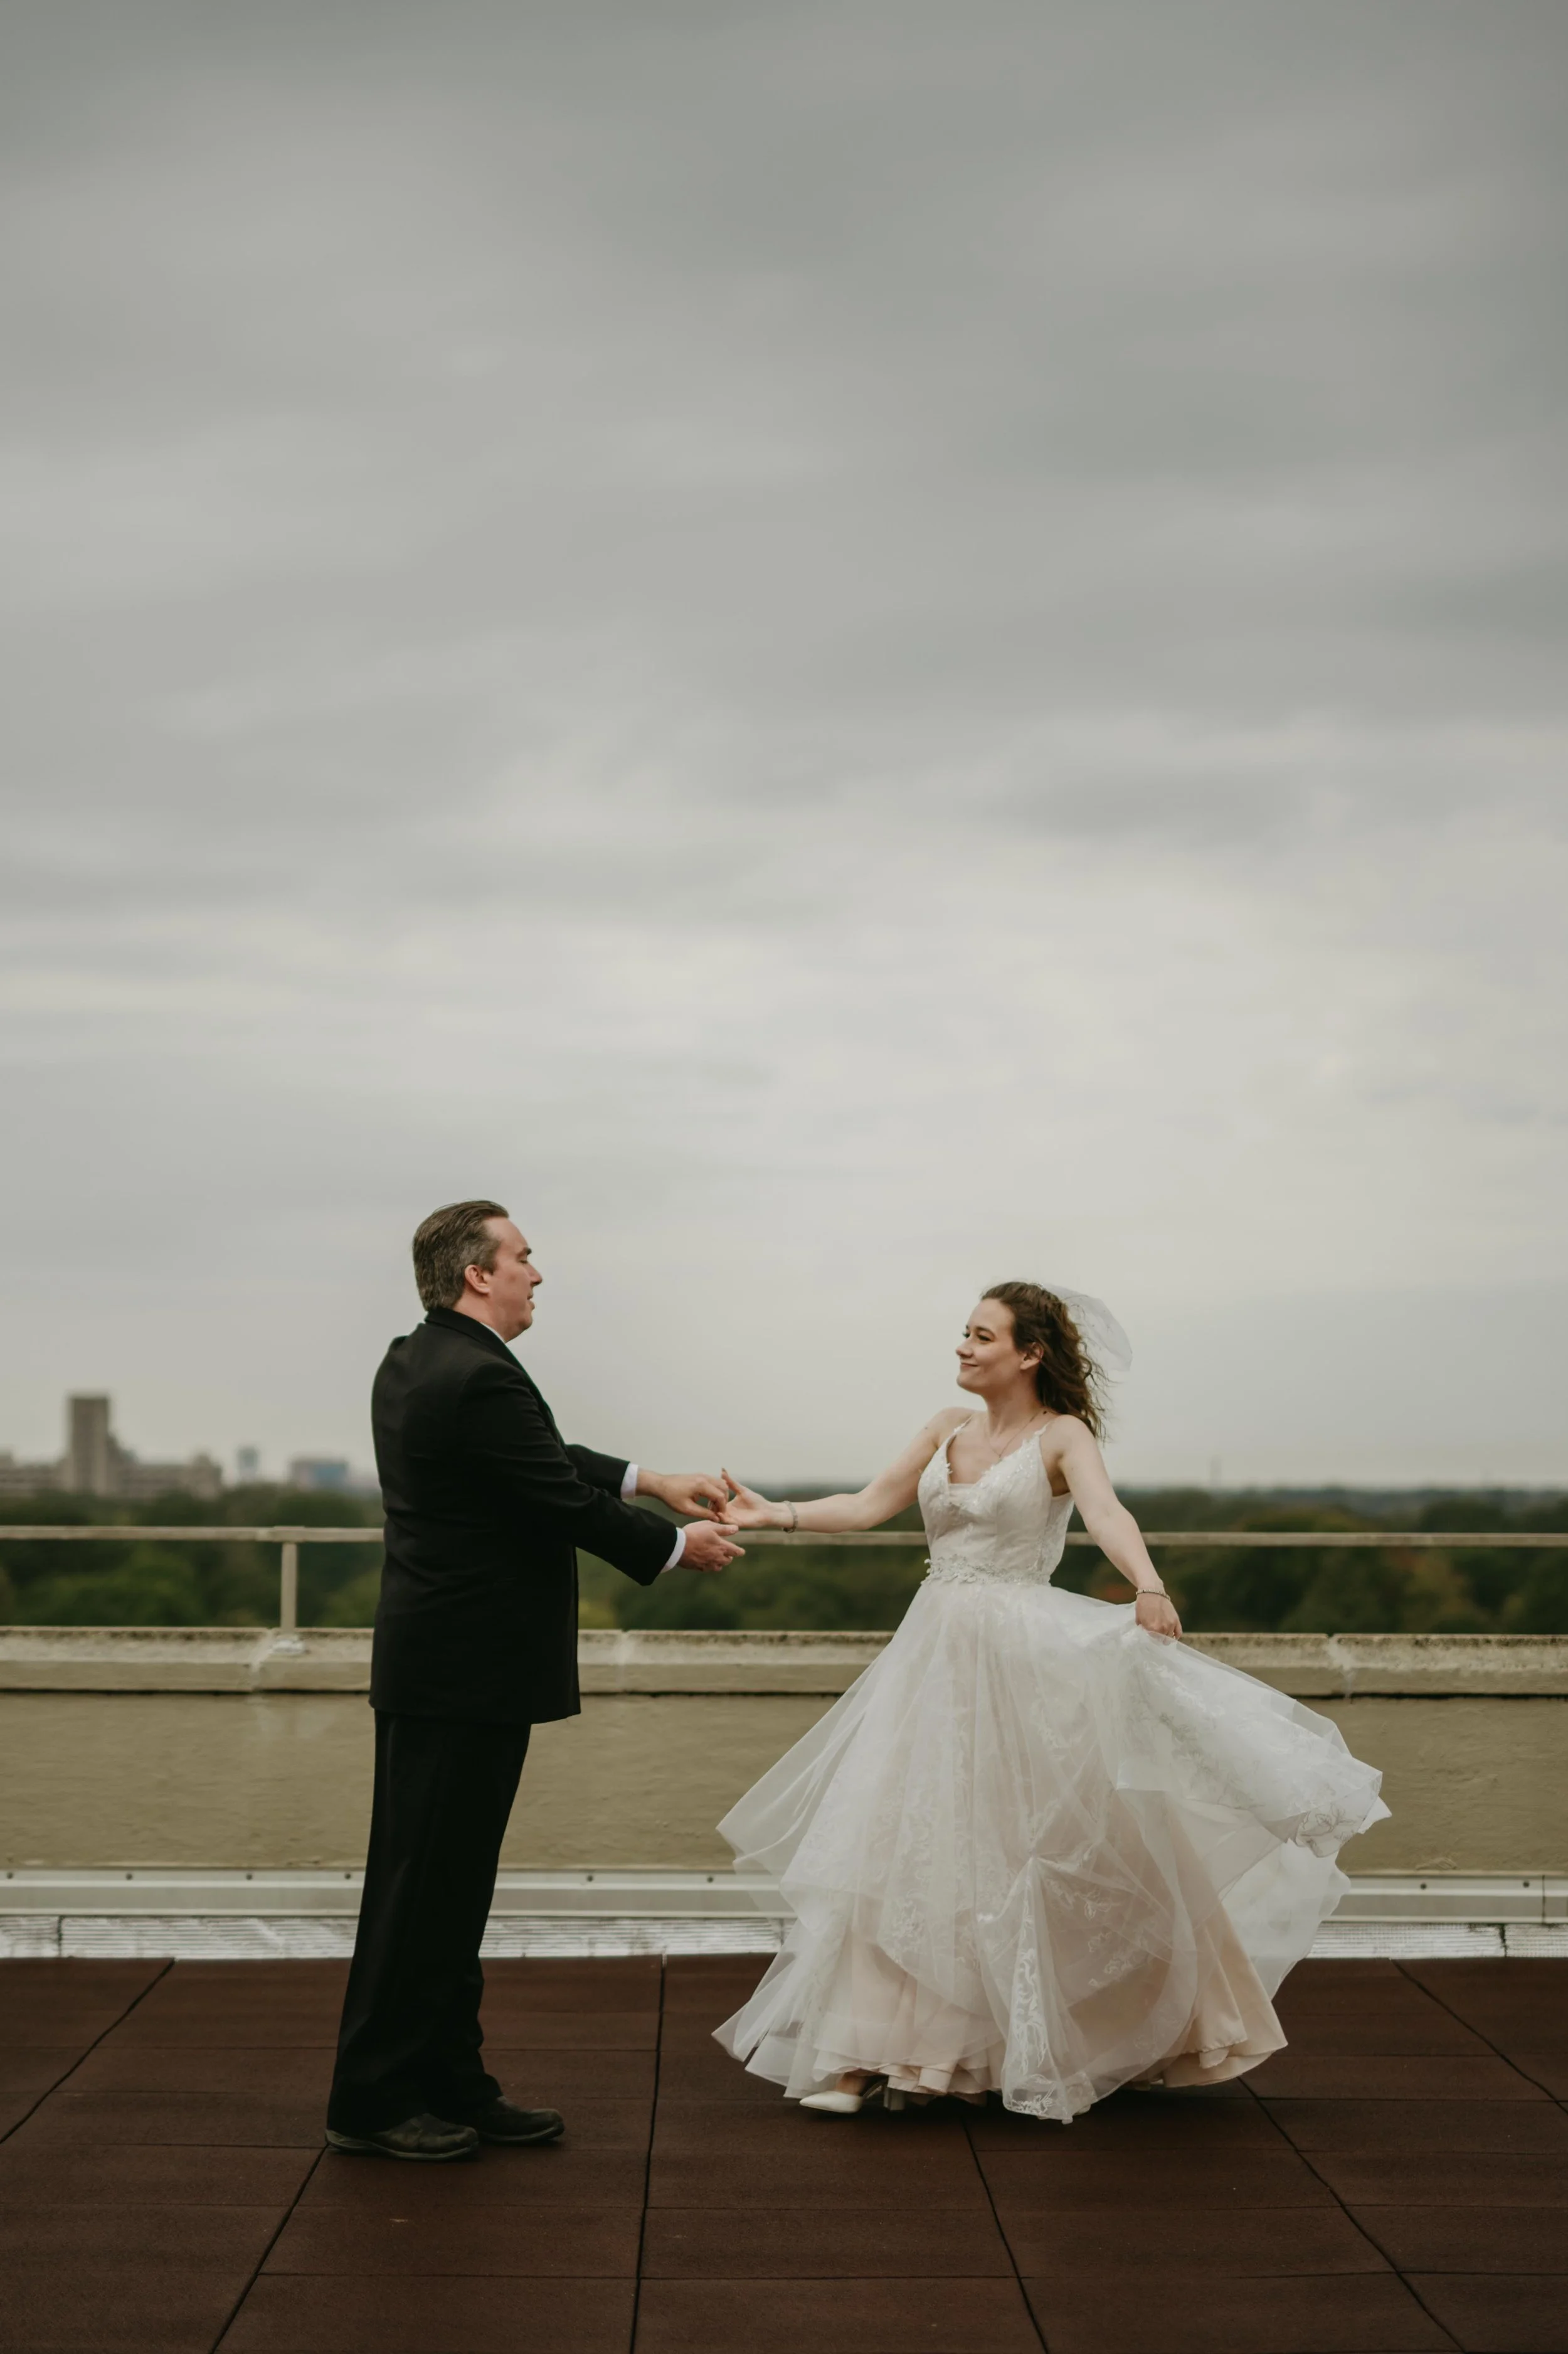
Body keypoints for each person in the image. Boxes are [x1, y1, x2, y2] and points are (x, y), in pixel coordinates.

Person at [712, 1281, 1386, 2121]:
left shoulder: (1063, 1435)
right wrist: (770, 1514)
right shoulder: (943, 1428)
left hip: (1022, 1655)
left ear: (1029, 1354)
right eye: (963, 1332)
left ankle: (1088, 2034)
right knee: (908, 1843)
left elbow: (1105, 1511)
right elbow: (869, 1504)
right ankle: (869, 2058)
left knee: (1030, 1843)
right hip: (935, 1655)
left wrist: (1148, 1583)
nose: (962, 1346)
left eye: (982, 1335)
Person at [326, 1199, 742, 2160]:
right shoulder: (475, 1376)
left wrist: (646, 1478)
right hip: (461, 1674)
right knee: (425, 1889)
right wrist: (678, 1545)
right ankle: (373, 2100)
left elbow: (536, 1456)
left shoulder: (419, 1357)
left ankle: (450, 2081)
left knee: (447, 1886)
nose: (536, 1273)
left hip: (444, 1669)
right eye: (523, 1257)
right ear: (479, 1274)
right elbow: (551, 1492)